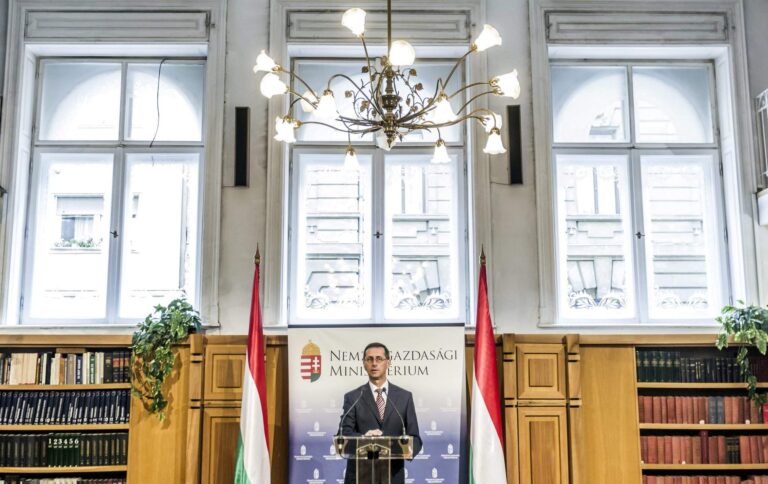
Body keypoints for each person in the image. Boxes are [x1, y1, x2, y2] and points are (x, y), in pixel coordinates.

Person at [337, 342, 422, 484]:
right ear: (364, 364)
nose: (374, 363)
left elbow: (416, 438)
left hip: (392, 476)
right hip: (359, 476)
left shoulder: (404, 397)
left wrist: (408, 449)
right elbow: (344, 434)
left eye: (379, 359)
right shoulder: (353, 397)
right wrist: (364, 438)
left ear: (388, 362)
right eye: (369, 359)